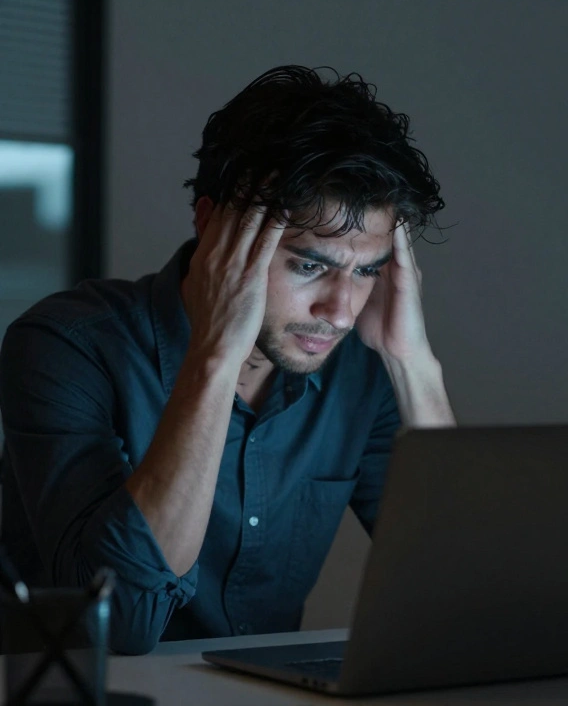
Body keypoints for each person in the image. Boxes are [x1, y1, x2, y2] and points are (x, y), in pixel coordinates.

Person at [0, 65, 455, 655]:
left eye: (366, 271)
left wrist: (411, 361)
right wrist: (215, 356)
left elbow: (470, 597)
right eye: (309, 264)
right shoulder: (65, 346)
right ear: (212, 226)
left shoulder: (359, 373)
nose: (341, 311)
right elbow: (121, 627)